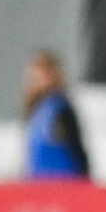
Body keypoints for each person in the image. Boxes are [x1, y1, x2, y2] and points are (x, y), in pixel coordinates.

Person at [22, 50, 91, 180]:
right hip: (39, 185)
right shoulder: (37, 110)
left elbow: (77, 149)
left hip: (63, 185)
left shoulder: (59, 110)